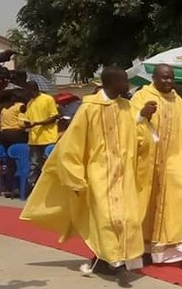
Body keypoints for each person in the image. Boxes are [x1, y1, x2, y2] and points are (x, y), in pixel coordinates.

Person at [20, 67, 144, 286]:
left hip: (123, 173)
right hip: (98, 173)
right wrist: (75, 177)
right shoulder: (89, 108)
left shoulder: (127, 106)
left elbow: (134, 138)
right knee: (106, 218)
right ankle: (117, 263)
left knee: (127, 218)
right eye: (124, 81)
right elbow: (71, 145)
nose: (127, 85)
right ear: (111, 83)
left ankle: (104, 258)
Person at [130, 64, 182, 267]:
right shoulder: (141, 96)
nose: (168, 81)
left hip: (175, 160)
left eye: (171, 78)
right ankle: (146, 250)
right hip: (149, 163)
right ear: (154, 77)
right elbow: (129, 125)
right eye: (164, 78)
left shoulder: (177, 100)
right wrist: (142, 114)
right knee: (147, 208)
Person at [23, 81, 59, 177]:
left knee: (48, 165)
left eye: (27, 91)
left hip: (48, 138)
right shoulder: (29, 103)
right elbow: (28, 120)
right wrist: (26, 124)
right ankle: (32, 188)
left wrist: (38, 123)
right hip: (34, 140)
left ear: (32, 90)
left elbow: (54, 116)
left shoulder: (48, 99)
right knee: (34, 166)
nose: (25, 93)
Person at [0, 89, 28, 198]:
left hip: (4, 135)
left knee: (9, 161)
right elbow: (21, 124)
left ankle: (9, 187)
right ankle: (18, 187)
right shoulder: (20, 106)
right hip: (16, 135)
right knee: (20, 161)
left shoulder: (4, 109)